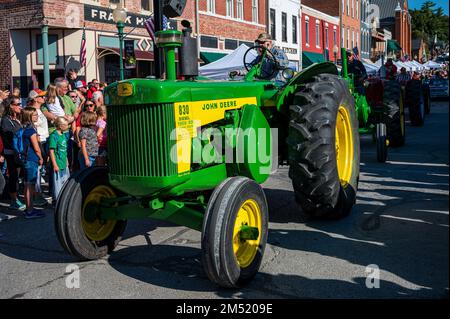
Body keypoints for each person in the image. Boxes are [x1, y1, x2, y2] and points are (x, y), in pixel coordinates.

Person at [0, 97, 26, 211]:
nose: (20, 106)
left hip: (20, 152)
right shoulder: (6, 120)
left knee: (19, 175)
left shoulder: (18, 118)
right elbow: (11, 135)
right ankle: (13, 200)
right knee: (13, 176)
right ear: (11, 106)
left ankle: (17, 196)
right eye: (18, 104)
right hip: (11, 152)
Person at [20, 107, 45, 219]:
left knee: (27, 185)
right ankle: (30, 211)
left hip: (26, 159)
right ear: (29, 116)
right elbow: (36, 147)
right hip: (31, 159)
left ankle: (29, 208)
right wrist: (40, 157)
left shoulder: (24, 128)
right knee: (30, 185)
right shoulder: (31, 130)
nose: (37, 116)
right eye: (34, 114)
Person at [28, 89, 49, 207]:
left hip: (44, 140)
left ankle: (38, 193)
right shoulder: (32, 112)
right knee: (37, 168)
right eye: (41, 96)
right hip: (38, 141)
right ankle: (36, 195)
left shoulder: (39, 110)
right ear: (35, 99)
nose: (43, 98)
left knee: (40, 169)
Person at [48, 117, 70, 201]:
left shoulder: (63, 134)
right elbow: (51, 151)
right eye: (66, 125)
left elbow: (64, 149)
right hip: (57, 163)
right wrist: (54, 164)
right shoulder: (54, 136)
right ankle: (57, 200)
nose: (67, 126)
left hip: (63, 162)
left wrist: (67, 159)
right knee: (57, 184)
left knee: (64, 182)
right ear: (60, 126)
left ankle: (64, 199)